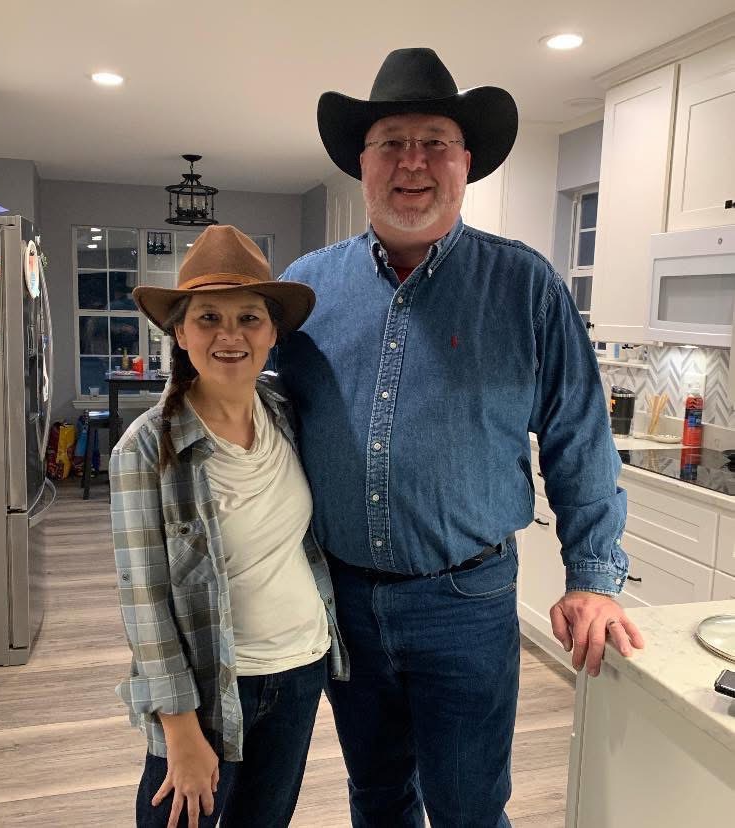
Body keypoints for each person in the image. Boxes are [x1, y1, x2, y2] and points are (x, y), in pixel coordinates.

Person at [274, 48, 645, 828]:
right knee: (377, 797)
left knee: (469, 808)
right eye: (391, 143)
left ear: (466, 161)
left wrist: (593, 577)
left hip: (465, 603)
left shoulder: (525, 287)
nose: (413, 162)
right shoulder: (305, 289)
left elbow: (580, 438)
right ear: (362, 164)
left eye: (434, 142)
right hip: (338, 597)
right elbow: (259, 423)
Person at [110, 224, 348, 828]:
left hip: (301, 666)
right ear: (180, 333)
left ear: (272, 333)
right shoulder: (147, 447)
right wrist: (180, 729)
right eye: (208, 318)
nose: (230, 335)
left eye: (249, 318)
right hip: (211, 685)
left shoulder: (286, 414)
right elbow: (144, 601)